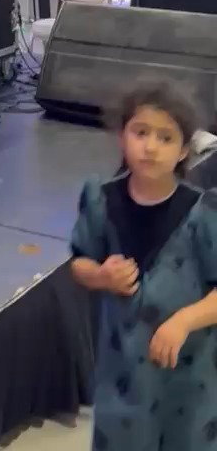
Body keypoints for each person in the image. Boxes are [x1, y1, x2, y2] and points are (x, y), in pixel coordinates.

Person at [70, 78, 217, 451]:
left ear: (184, 151)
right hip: (123, 375)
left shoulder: (203, 212)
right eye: (141, 132)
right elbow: (79, 262)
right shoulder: (101, 200)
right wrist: (101, 276)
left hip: (188, 377)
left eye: (166, 138)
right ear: (122, 136)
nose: (150, 147)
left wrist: (184, 321)